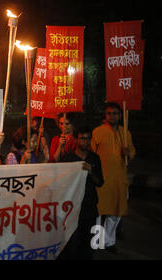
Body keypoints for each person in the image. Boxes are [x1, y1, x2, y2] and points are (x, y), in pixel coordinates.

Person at [91, 102, 135, 252]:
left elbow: (132, 153)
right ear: (105, 115)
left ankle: (108, 242)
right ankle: (95, 241)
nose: (112, 116)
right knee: (98, 212)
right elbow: (92, 154)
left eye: (115, 113)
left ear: (120, 115)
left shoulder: (125, 133)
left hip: (118, 179)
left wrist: (128, 153)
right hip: (101, 179)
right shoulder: (98, 132)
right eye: (109, 113)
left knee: (115, 213)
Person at [58, 125, 104, 260]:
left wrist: (91, 172)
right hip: (72, 209)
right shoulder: (68, 159)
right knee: (71, 245)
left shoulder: (95, 158)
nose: (85, 142)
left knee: (87, 246)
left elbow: (100, 182)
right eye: (82, 139)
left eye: (88, 139)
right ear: (76, 140)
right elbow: (61, 183)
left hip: (89, 208)